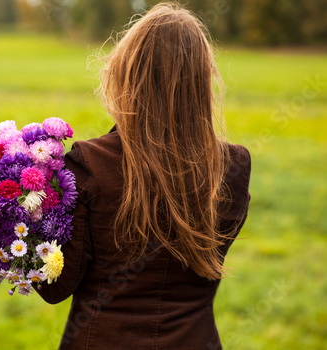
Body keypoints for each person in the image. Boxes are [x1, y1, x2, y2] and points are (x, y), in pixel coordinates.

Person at [37, 3, 251, 349]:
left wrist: (25, 218)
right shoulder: (233, 167)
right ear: (201, 81)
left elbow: (55, 286)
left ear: (126, 72)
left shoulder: (90, 163)